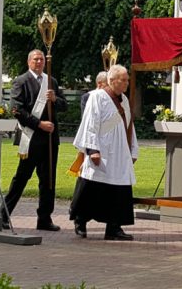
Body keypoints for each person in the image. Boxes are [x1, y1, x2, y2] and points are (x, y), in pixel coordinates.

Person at [69, 65, 138, 240]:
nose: (126, 83)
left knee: (119, 190)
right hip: (102, 150)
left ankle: (114, 227)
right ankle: (81, 220)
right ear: (112, 80)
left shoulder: (125, 101)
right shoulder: (97, 97)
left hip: (120, 153)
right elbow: (91, 123)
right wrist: (93, 150)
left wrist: (132, 149)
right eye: (123, 80)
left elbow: (129, 126)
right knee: (92, 187)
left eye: (127, 80)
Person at [3, 49, 67, 231]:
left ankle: (45, 218)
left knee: (48, 181)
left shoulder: (51, 81)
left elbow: (64, 106)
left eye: (41, 60)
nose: (39, 62)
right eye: (36, 59)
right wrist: (39, 124)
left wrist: (55, 99)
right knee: (21, 178)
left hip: (50, 140)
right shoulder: (21, 81)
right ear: (29, 61)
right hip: (31, 139)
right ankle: (3, 214)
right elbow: (16, 109)